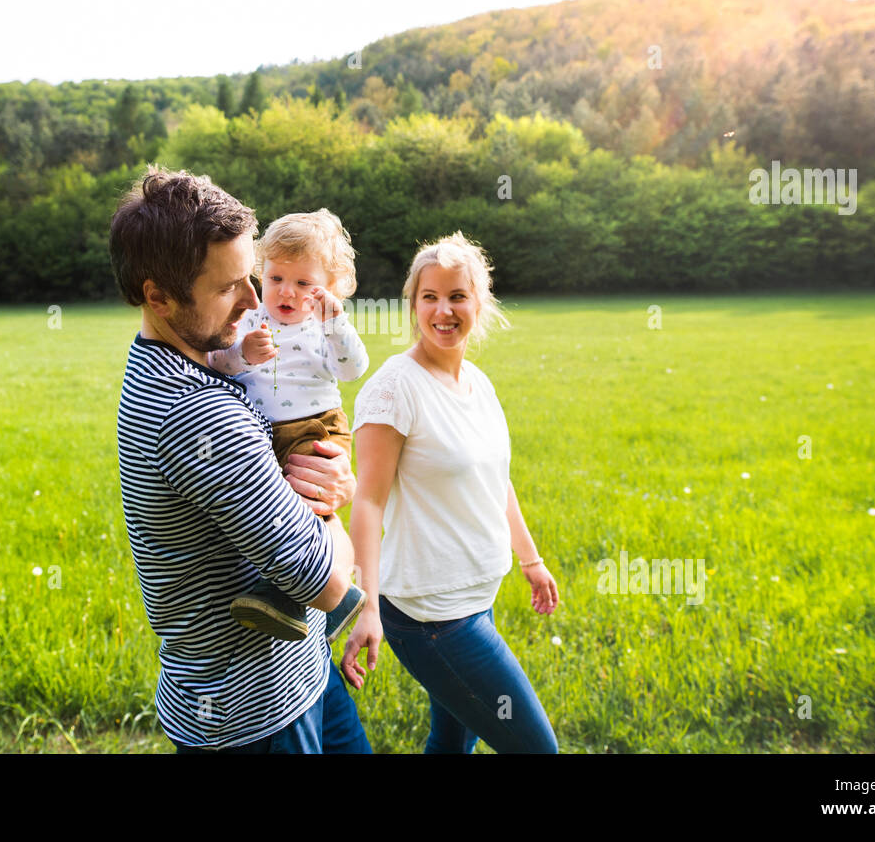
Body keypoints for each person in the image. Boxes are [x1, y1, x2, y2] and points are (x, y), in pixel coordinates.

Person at [110, 167, 370, 753]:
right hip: (253, 711)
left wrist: (328, 481)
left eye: (254, 278)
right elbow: (324, 584)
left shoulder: (175, 366)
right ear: (158, 295)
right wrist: (336, 508)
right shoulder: (197, 414)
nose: (256, 302)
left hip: (302, 670)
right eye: (231, 287)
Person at [340, 231, 560, 754]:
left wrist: (530, 560)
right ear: (413, 303)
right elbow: (367, 501)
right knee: (537, 748)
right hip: (429, 616)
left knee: (452, 741)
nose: (444, 310)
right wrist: (366, 606)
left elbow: (495, 478)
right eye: (429, 296)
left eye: (457, 296)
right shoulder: (395, 388)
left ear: (477, 303)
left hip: (473, 598)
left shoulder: (477, 384)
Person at [208, 209, 369, 644]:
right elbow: (215, 362)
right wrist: (242, 355)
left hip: (314, 428)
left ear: (329, 291)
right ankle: (336, 598)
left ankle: (288, 595)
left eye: (304, 284)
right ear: (261, 272)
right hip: (263, 431)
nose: (287, 292)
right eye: (277, 278)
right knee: (268, 507)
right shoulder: (249, 320)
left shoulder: (325, 328)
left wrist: (336, 324)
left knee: (303, 507)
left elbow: (354, 369)